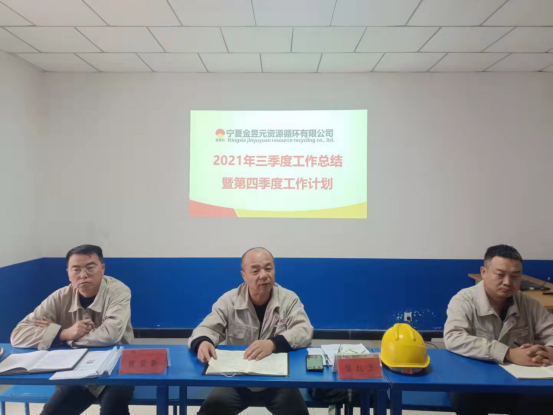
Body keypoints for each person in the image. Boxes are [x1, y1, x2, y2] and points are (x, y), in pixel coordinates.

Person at [11, 244, 135, 415]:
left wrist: (63, 338)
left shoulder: (118, 291)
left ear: (102, 269)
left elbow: (110, 335)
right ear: (68, 273)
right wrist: (64, 333)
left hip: (117, 367)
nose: (83, 275)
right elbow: (18, 335)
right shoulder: (59, 297)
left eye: (90, 268)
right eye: (76, 269)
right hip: (74, 368)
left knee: (112, 407)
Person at [189, 247, 314, 415]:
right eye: (255, 271)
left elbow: (304, 330)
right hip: (237, 380)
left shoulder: (288, 299)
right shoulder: (230, 300)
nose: (263, 275)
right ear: (244, 275)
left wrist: (273, 344)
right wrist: (203, 342)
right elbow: (206, 328)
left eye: (268, 268)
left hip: (278, 381)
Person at [444, 244, 553, 415]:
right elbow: (453, 337)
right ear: (484, 272)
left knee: (542, 399)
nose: (508, 282)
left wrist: (549, 351)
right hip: (474, 377)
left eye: (515, 276)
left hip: (520, 380)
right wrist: (508, 353)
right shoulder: (464, 300)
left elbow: (550, 332)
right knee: (467, 398)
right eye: (500, 274)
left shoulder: (529, 304)